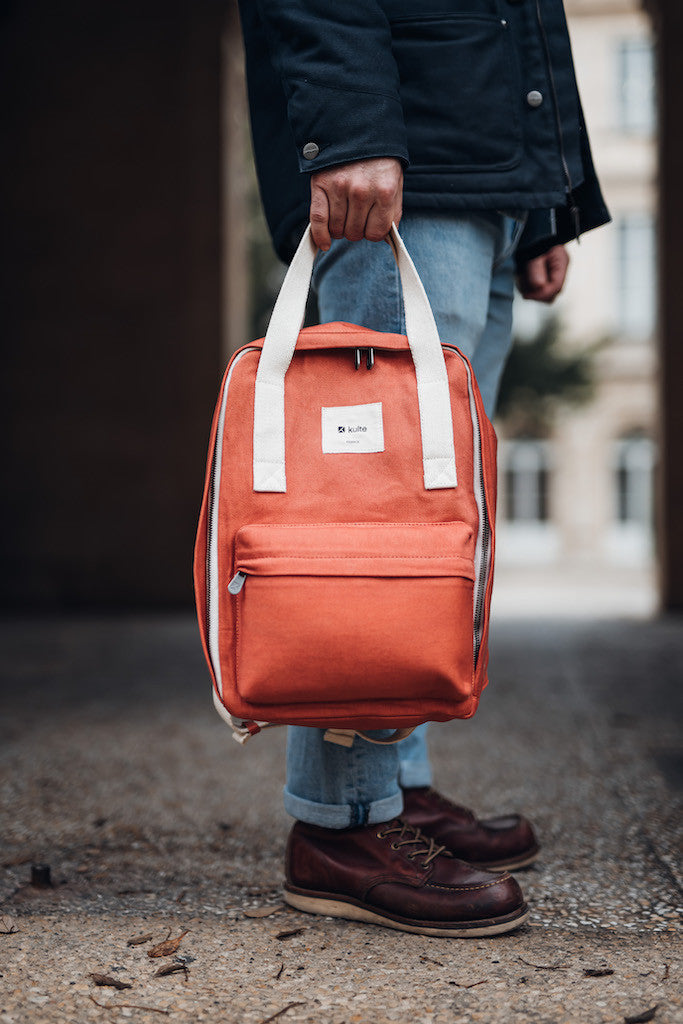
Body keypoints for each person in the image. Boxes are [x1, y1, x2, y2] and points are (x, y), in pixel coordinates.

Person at [237, 0, 610, 937]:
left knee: (436, 529)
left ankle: (394, 788)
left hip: (477, 176)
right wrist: (351, 128)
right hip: (401, 168)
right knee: (376, 525)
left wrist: (542, 197)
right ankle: (342, 823)